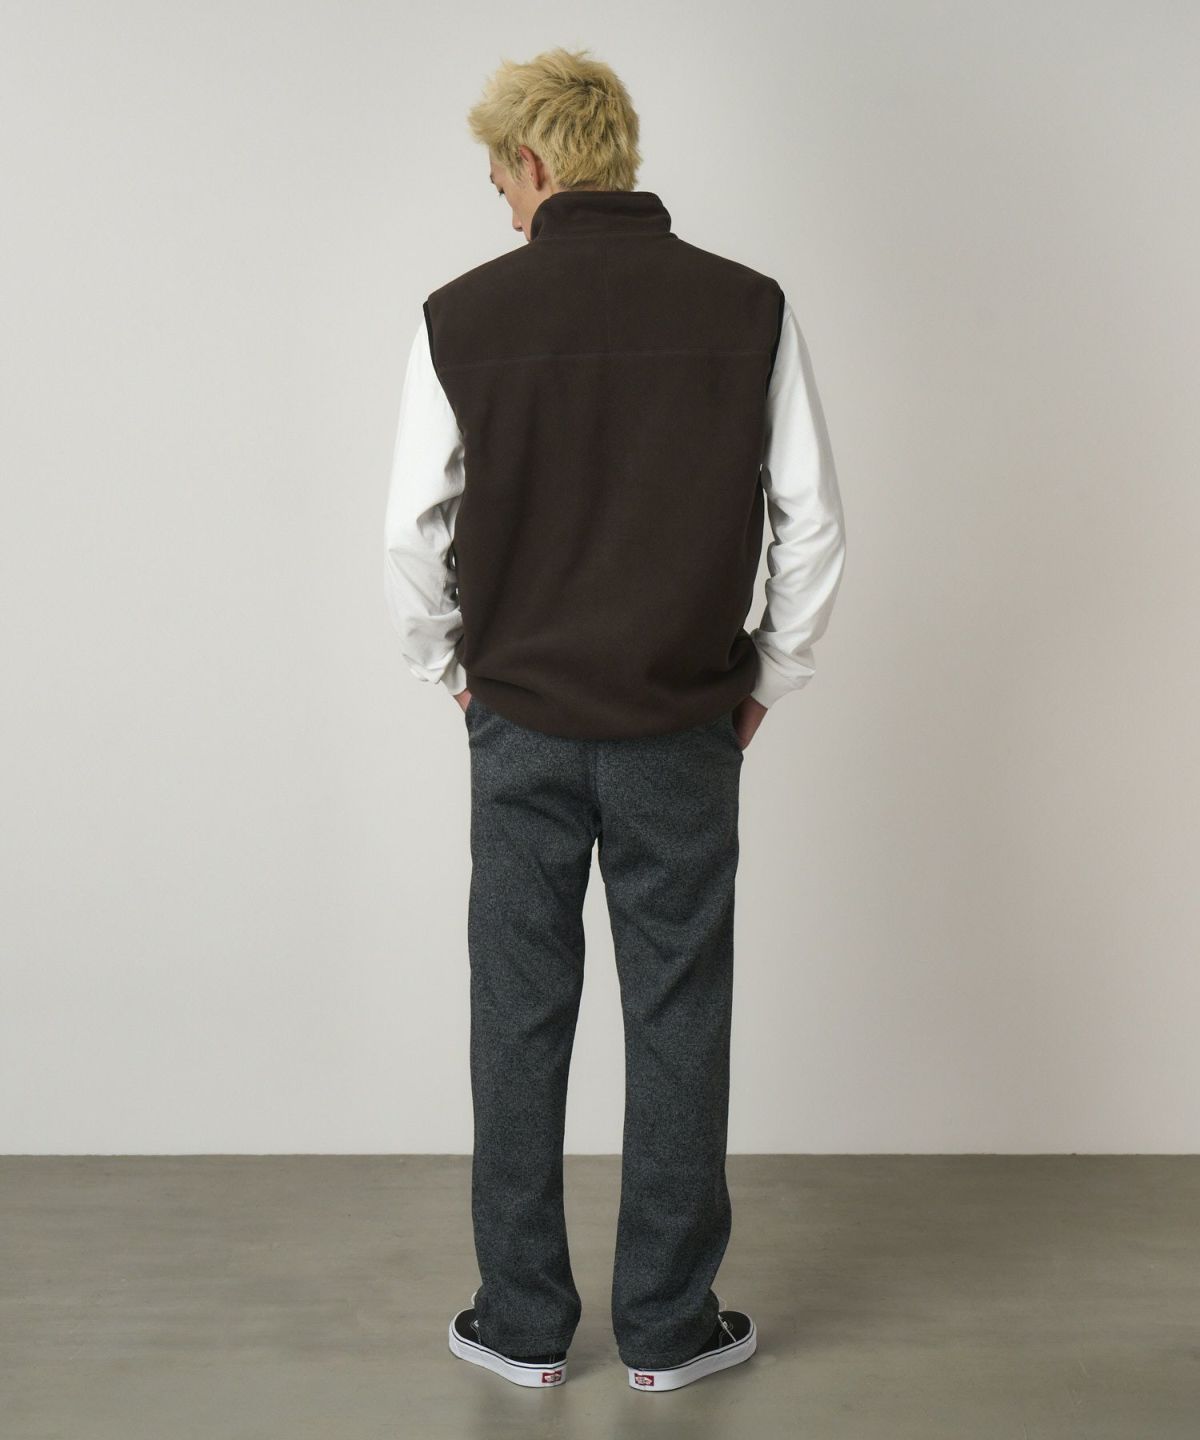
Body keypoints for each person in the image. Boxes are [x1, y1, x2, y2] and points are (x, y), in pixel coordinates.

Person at [383, 46, 846, 1393]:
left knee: (518, 1015)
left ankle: (522, 1325)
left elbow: (410, 538)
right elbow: (813, 525)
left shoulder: (460, 316)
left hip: (521, 724)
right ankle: (668, 1328)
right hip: (680, 728)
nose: (500, 206)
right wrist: (766, 679)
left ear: (533, 163)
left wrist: (452, 674)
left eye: (498, 181)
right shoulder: (748, 306)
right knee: (679, 1013)